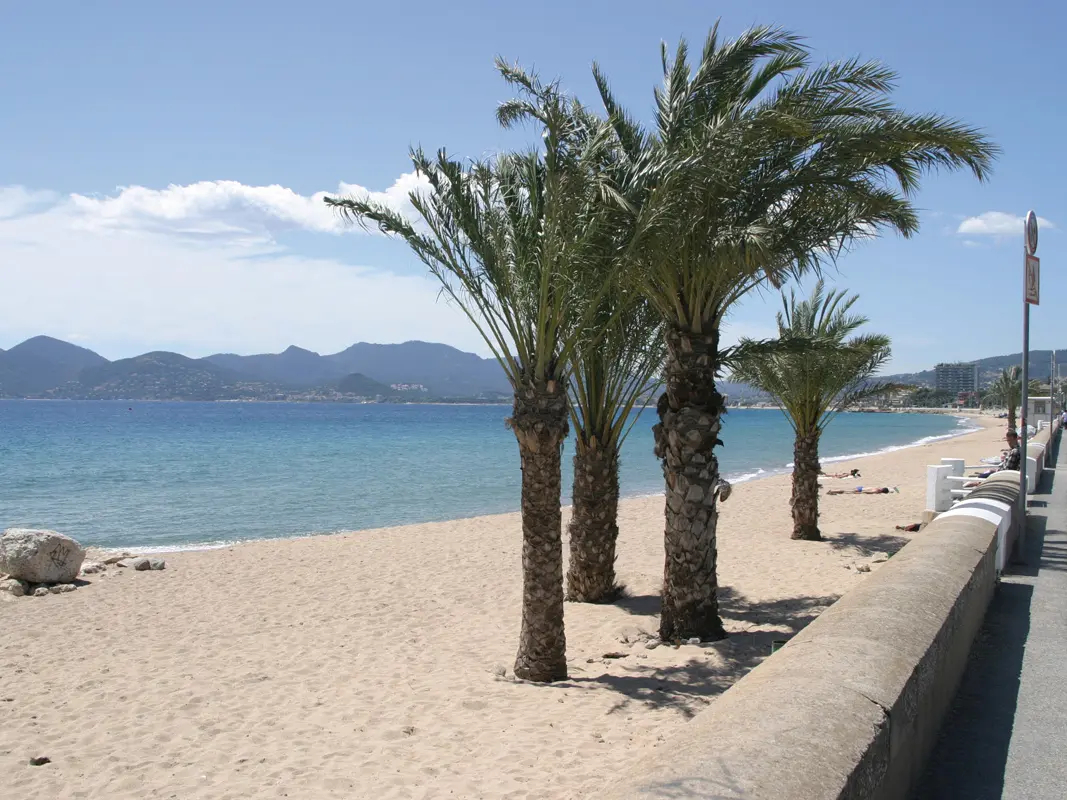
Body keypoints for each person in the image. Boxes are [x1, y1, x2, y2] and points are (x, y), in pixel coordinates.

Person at [826, 486, 898, 495]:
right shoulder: (876, 491)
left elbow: (890, 488)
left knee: (845, 490)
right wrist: (860, 492)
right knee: (844, 491)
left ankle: (832, 491)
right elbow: (868, 492)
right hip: (860, 490)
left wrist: (893, 489)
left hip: (861, 487)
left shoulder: (878, 487)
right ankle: (832, 491)